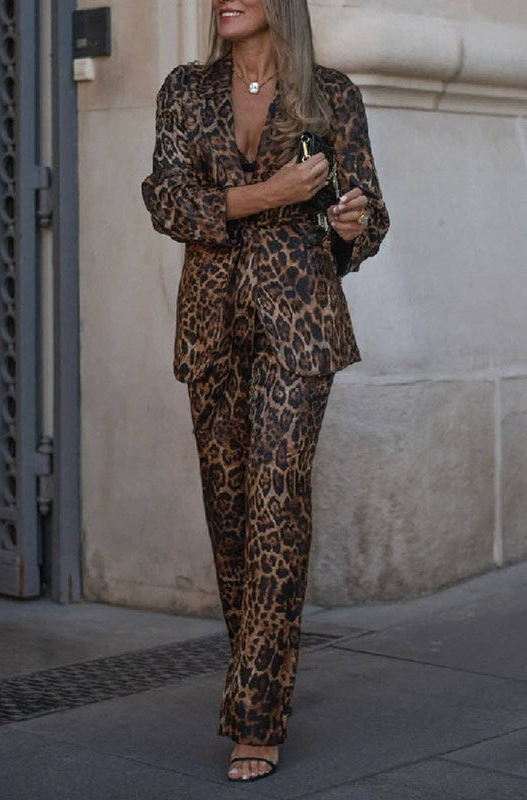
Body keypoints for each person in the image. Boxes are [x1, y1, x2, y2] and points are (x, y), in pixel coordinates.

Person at [141, 0, 390, 784]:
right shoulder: (185, 90)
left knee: (277, 504)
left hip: (298, 324)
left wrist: (352, 223)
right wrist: (263, 195)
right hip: (210, 327)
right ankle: (260, 671)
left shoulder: (329, 94)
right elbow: (165, 198)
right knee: (232, 515)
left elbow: (371, 210)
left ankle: (256, 716)